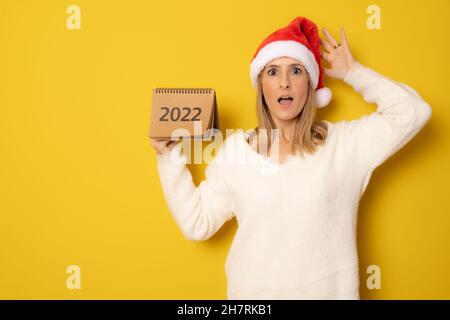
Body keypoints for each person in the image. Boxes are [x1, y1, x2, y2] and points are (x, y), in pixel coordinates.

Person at [150, 16, 432, 299]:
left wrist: (353, 73)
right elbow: (197, 223)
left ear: (309, 84)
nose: (284, 82)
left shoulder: (345, 145)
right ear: (261, 86)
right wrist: (169, 157)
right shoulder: (235, 152)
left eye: (296, 70)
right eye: (273, 72)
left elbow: (413, 112)